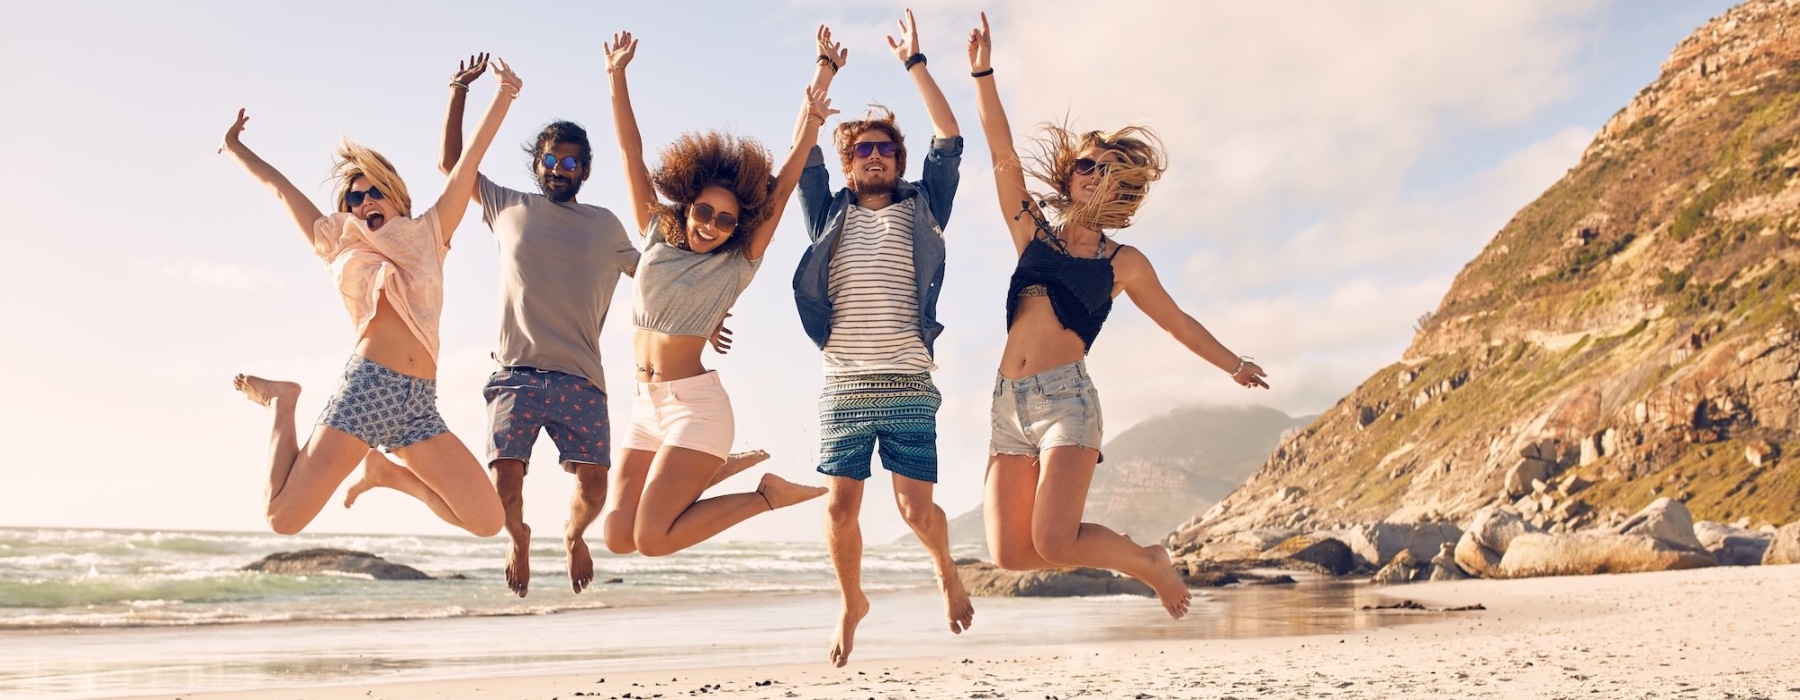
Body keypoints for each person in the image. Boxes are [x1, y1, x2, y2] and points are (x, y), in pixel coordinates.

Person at [966, 13, 1271, 620]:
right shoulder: (1032, 234)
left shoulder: (1122, 262)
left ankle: (1147, 562)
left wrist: (1233, 364)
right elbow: (1001, 151)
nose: (1094, 174)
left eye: (1107, 168)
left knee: (1054, 541)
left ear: (1121, 185)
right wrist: (983, 72)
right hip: (1006, 404)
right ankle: (1142, 555)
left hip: (1065, 403)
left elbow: (1178, 322)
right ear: (1069, 175)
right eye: (1085, 164)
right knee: (1010, 555)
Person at [438, 55, 770, 597]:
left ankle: (574, 536)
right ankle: (518, 537)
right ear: (538, 164)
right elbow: (452, 165)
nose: (558, 170)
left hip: (581, 378)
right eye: (550, 160)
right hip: (514, 373)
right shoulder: (507, 205)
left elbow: (666, 282)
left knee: (595, 488)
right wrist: (459, 92)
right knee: (504, 484)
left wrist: (704, 321)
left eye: (570, 164)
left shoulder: (605, 224)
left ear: (584, 171)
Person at [221, 59, 526, 537]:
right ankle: (283, 400)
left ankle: (386, 474)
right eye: (355, 199)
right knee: (282, 519)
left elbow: (467, 164)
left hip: (419, 403)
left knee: (488, 520)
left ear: (396, 197)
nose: (365, 203)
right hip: (366, 391)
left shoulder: (428, 232)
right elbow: (281, 191)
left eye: (374, 193)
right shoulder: (339, 242)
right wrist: (234, 146)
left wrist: (505, 94)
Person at [598, 31, 831, 558]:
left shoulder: (736, 264)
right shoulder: (656, 231)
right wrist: (616, 76)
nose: (711, 225)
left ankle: (765, 496)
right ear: (686, 204)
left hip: (695, 410)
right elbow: (629, 152)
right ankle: (710, 471)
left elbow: (785, 182)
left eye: (726, 220)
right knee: (617, 537)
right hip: (644, 405)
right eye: (703, 211)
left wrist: (817, 97)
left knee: (651, 539)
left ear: (737, 226)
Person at [792, 16, 973, 667]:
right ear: (849, 163)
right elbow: (800, 149)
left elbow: (950, 137)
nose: (874, 156)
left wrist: (917, 62)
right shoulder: (826, 212)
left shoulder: (925, 206)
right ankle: (850, 602)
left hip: (907, 379)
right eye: (863, 150)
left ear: (897, 160)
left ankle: (945, 568)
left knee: (914, 511)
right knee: (841, 508)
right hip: (843, 382)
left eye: (884, 150)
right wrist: (823, 71)